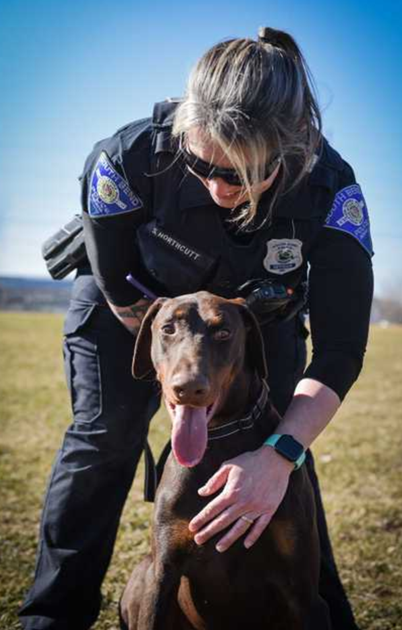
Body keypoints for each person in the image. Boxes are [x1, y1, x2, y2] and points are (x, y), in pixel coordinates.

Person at [20, 27, 374, 630]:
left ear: (291, 148)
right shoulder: (127, 158)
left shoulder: (332, 191)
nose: (218, 187)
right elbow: (119, 288)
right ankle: (52, 617)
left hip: (257, 320)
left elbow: (340, 348)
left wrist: (280, 454)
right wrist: (180, 379)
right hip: (137, 310)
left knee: (283, 452)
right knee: (105, 437)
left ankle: (327, 616)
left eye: (242, 173)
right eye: (202, 165)